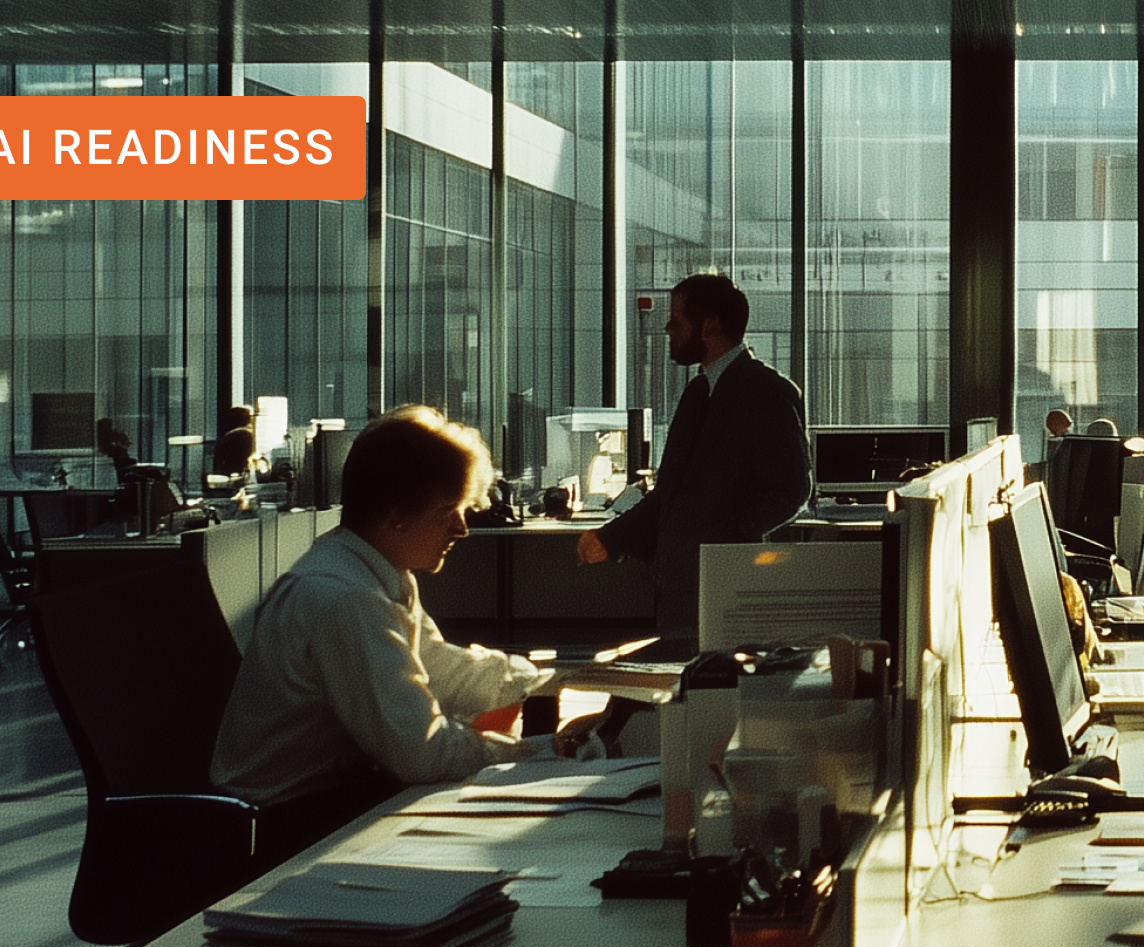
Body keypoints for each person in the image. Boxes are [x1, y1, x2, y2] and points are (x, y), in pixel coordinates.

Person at [214, 406, 592, 857]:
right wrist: (534, 753)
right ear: (396, 517)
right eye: (448, 510)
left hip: (326, 808)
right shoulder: (345, 599)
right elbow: (421, 753)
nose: (463, 529)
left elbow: (435, 668)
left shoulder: (370, 573)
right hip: (286, 830)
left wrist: (554, 680)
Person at [577, 273, 811, 650]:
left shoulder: (766, 391)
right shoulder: (697, 392)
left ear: (709, 325)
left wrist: (725, 535)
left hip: (725, 586)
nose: (668, 328)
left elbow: (792, 488)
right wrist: (612, 538)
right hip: (680, 588)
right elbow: (671, 493)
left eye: (676, 319)